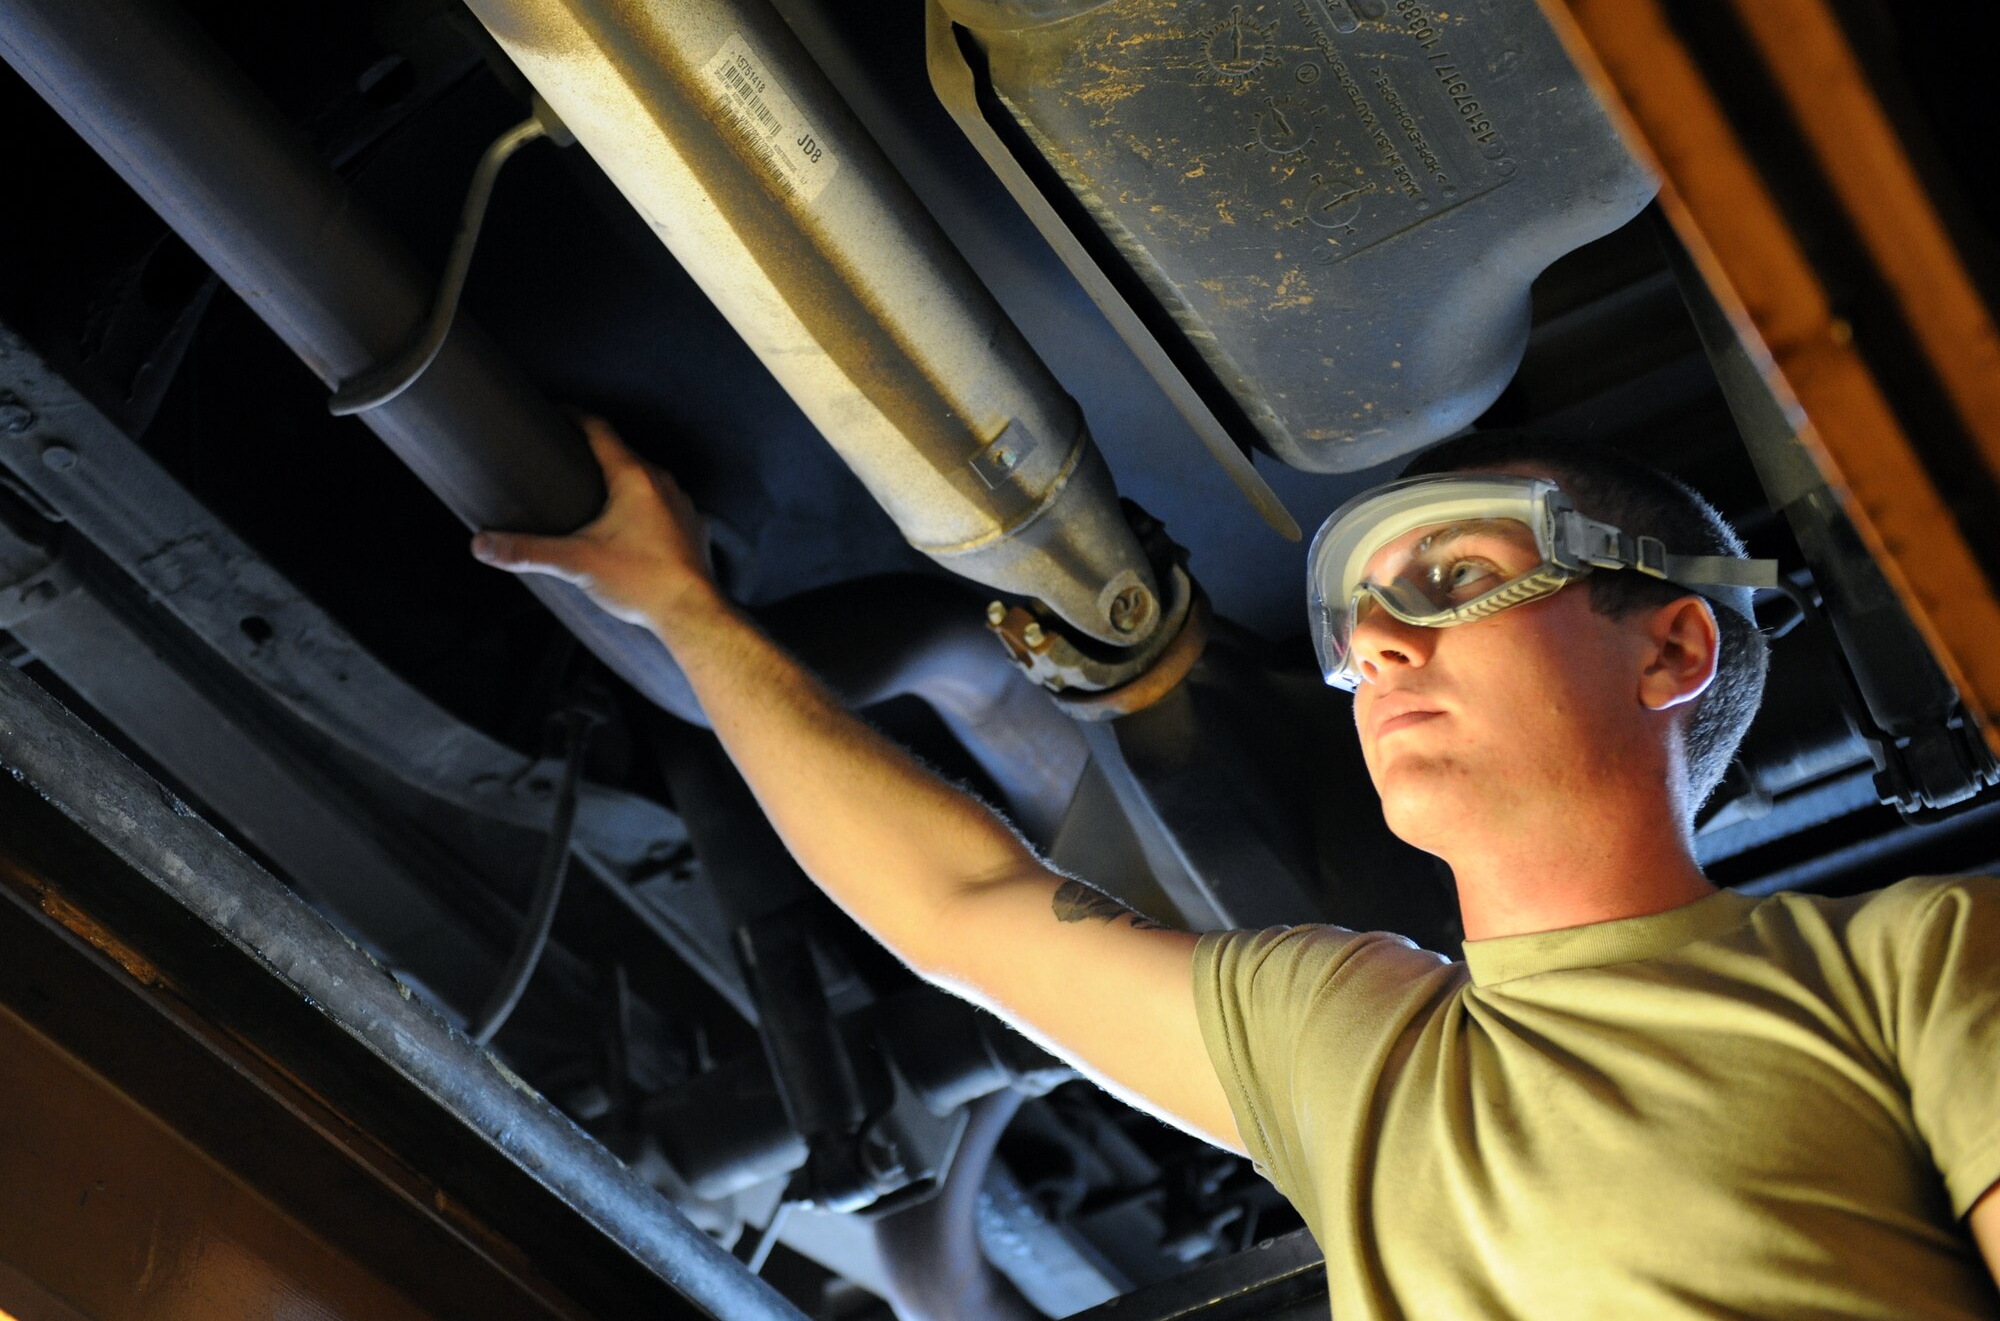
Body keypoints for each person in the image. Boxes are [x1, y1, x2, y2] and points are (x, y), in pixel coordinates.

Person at [471, 418, 2000, 1319]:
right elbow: (964, 907)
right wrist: (691, 614)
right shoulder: (1362, 1046)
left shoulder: (1922, 958)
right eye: (1370, 613)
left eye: (1452, 582)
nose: (1381, 644)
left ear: (1671, 640)